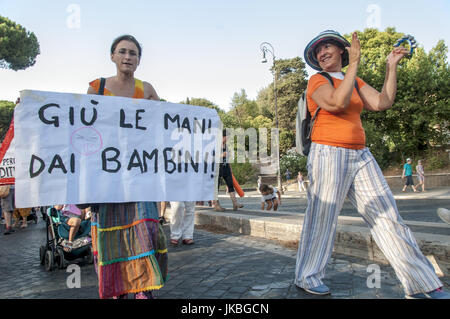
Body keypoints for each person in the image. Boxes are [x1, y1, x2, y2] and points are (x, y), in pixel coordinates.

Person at [294, 30, 449, 299]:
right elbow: (337, 102)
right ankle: (307, 276)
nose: (322, 53)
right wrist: (354, 64)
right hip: (328, 152)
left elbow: (382, 102)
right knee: (322, 218)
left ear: (341, 49)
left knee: (388, 217)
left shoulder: (354, 81)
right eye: (318, 51)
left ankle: (421, 282)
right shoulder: (317, 81)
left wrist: (391, 66)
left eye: (327, 46)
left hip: (361, 154)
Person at [86, 35, 168, 299]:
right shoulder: (97, 88)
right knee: (114, 236)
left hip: (139, 174)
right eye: (122, 51)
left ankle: (143, 289)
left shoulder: (146, 90)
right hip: (107, 177)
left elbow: (164, 119)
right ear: (112, 56)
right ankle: (118, 291)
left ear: (139, 60)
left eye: (133, 53)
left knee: (145, 229)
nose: (127, 57)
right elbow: (81, 128)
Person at [213, 132, 244, 212]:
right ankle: (216, 205)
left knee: (230, 185)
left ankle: (235, 203)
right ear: (223, 136)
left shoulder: (225, 146)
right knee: (216, 187)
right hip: (218, 168)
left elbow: (228, 157)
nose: (228, 139)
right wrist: (221, 155)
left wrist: (230, 167)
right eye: (227, 137)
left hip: (226, 167)